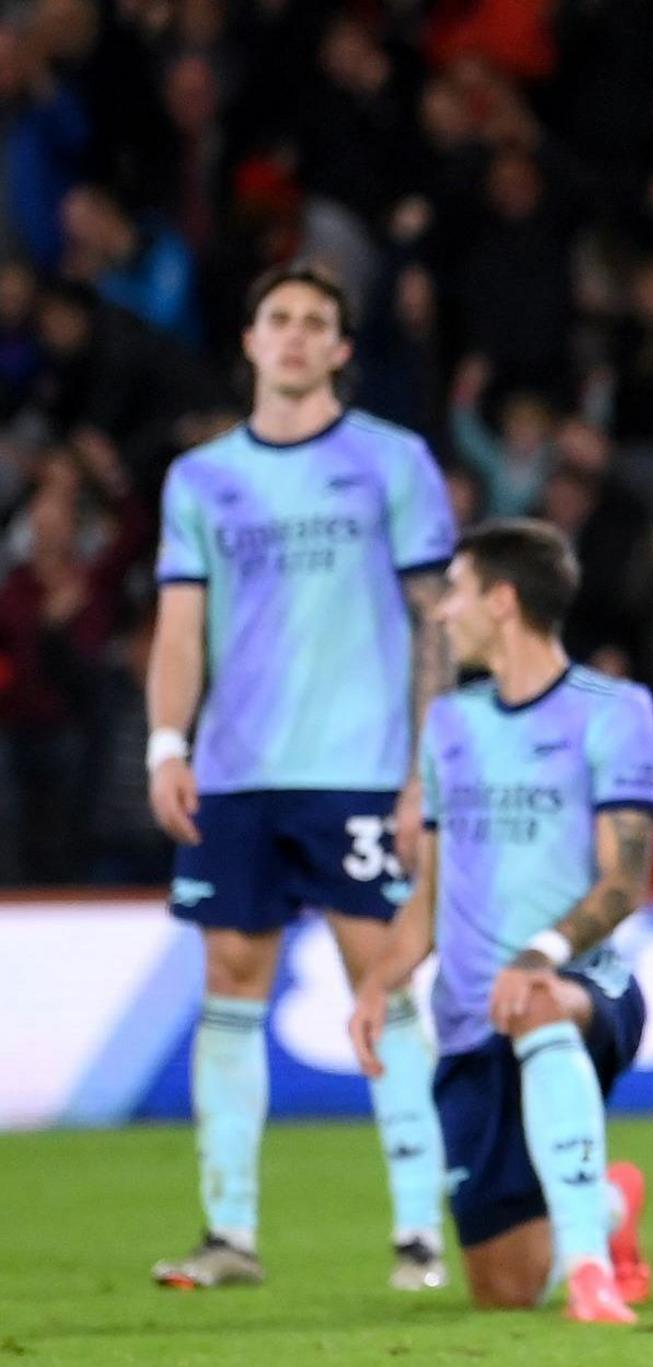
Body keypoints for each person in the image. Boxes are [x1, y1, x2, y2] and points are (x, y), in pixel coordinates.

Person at [146, 263, 458, 1293]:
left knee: (385, 980)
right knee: (230, 981)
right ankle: (229, 1234)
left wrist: (427, 769)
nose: (292, 335)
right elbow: (181, 627)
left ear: (339, 350)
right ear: (248, 340)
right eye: (275, 317)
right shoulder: (200, 478)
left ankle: (419, 1230)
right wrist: (165, 742)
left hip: (362, 771)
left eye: (314, 322)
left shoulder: (392, 463)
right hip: (237, 774)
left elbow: (435, 628)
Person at [349, 519, 653, 1324]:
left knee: (533, 1001)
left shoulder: (614, 711)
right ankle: (609, 1209)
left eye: (454, 592)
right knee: (503, 1290)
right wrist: (380, 982)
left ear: (502, 599)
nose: (442, 613)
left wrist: (539, 955)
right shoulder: (451, 727)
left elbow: (623, 882)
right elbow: (428, 896)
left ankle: (591, 1276)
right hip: (466, 1019)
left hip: (583, 982)